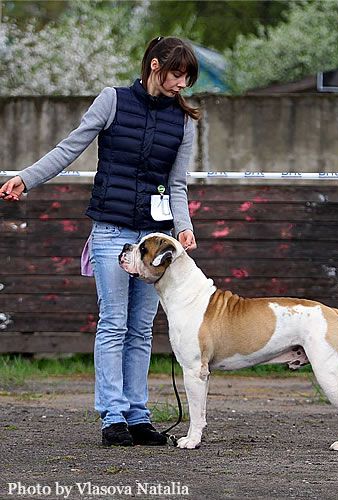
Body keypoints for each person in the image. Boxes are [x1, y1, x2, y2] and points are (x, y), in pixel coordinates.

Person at [0, 36, 200, 447]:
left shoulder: (184, 121)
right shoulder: (111, 101)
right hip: (110, 230)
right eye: (178, 75)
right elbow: (69, 148)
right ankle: (113, 416)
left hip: (154, 239)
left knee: (142, 329)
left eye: (187, 79)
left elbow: (177, 184)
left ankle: (139, 415)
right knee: (114, 322)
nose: (183, 85)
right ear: (156, 66)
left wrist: (184, 226)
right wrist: (26, 177)